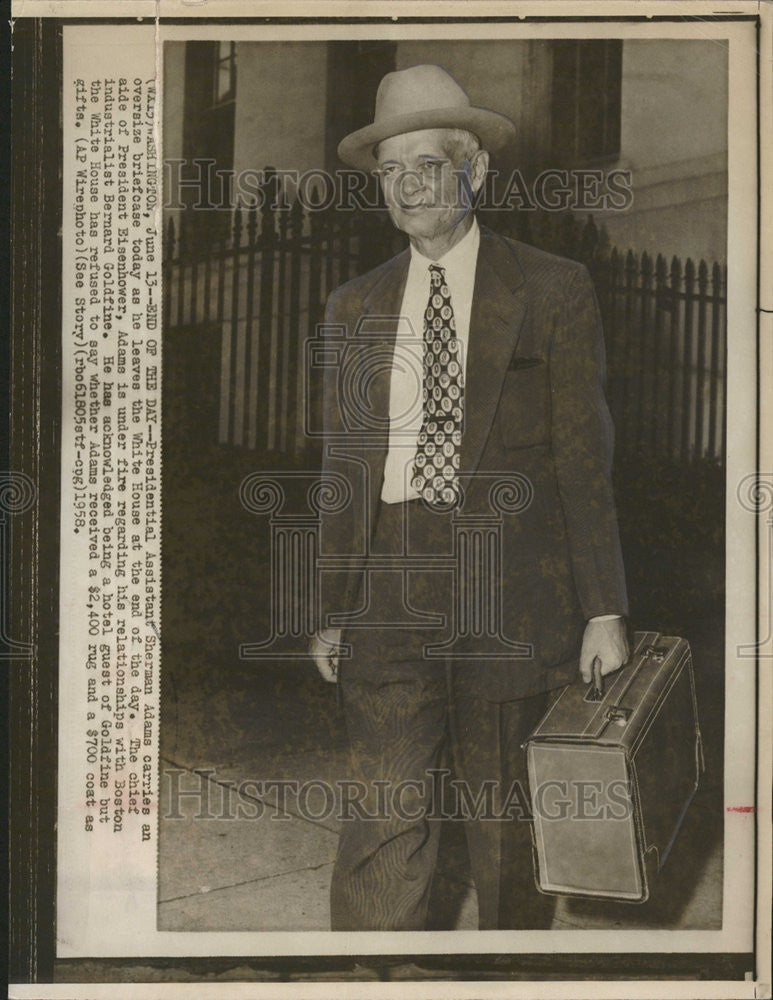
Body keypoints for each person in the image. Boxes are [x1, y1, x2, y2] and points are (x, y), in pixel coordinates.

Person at [309, 63, 629, 931]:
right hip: (387, 579)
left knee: (502, 825)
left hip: (510, 581)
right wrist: (333, 603)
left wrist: (603, 608)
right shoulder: (353, 305)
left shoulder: (551, 288)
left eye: (428, 164)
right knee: (383, 813)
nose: (410, 187)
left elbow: (580, 458)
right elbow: (344, 467)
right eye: (390, 171)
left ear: (473, 169)